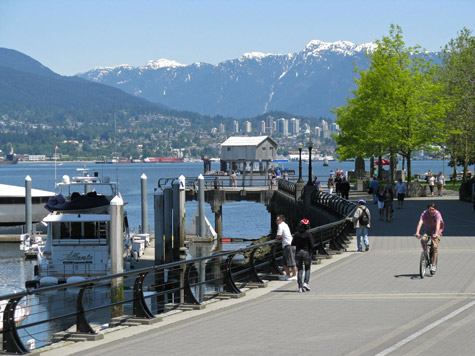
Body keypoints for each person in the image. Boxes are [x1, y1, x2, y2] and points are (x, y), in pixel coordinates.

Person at [415, 203, 444, 273]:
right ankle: (425, 253)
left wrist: (436, 234)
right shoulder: (425, 213)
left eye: (433, 210)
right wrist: (417, 232)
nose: (431, 211)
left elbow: (438, 225)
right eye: (430, 209)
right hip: (428, 230)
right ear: (428, 209)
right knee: (423, 239)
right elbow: (420, 223)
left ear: (435, 209)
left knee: (434, 247)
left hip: (437, 231)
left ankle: (433, 264)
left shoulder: (437, 214)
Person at [291, 218, 315, 292]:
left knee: (300, 269)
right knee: (307, 268)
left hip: (298, 253)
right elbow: (312, 245)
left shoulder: (296, 234)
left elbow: (292, 244)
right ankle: (306, 283)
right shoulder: (308, 234)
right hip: (306, 253)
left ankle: (300, 287)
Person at [276, 215, 297, 281]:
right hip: (289, 245)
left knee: (291, 262)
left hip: (288, 245)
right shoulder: (285, 225)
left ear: (281, 220)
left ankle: (294, 275)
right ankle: (288, 275)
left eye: (277, 220)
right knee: (284, 262)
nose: (276, 221)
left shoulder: (280, 225)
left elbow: (279, 235)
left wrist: (277, 238)